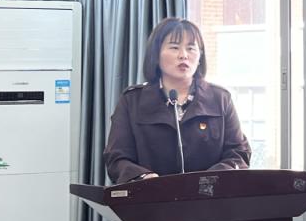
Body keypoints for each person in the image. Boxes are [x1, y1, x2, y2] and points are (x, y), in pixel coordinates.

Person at [104, 18, 251, 183]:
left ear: (200, 56)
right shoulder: (132, 101)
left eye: (191, 48)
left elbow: (239, 154)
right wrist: (144, 177)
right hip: (151, 196)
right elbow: (116, 158)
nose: (183, 55)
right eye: (174, 47)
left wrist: (208, 180)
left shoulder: (220, 99)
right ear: (156, 54)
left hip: (210, 195)